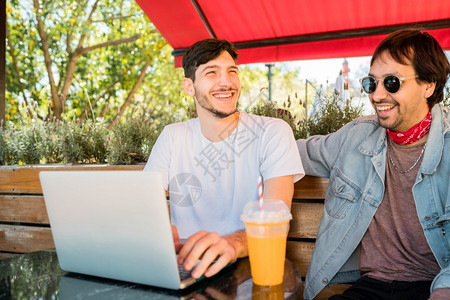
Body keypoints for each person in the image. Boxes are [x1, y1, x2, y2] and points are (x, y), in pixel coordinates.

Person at [297, 29, 450, 299]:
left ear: (429, 85)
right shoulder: (356, 136)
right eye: (371, 83)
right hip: (368, 287)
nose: (377, 95)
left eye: (391, 82)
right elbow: (293, 153)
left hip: (433, 286)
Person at [144, 38, 304, 280]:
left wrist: (233, 244)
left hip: (252, 268)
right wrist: (155, 229)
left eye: (232, 72)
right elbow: (145, 203)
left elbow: (277, 217)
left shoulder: (272, 131)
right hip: (185, 267)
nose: (226, 82)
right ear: (190, 87)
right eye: (211, 72)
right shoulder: (172, 136)